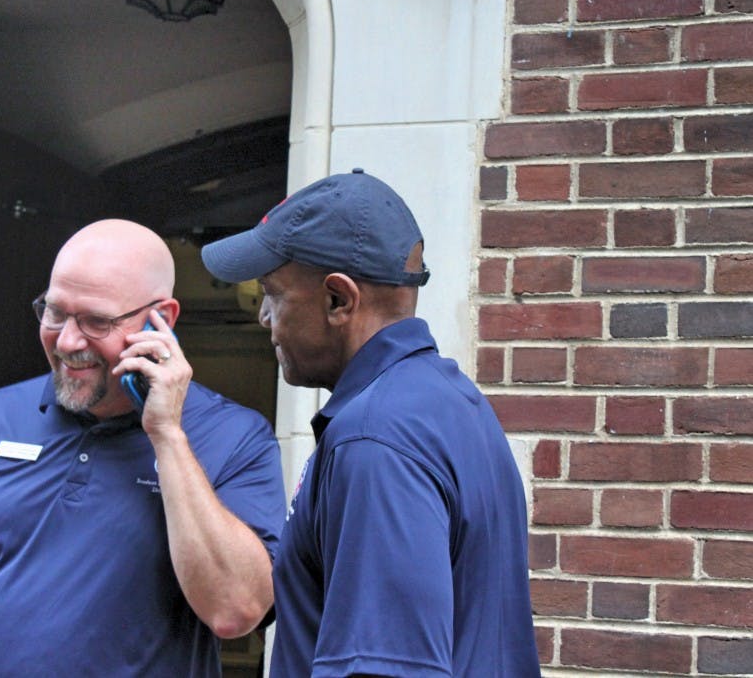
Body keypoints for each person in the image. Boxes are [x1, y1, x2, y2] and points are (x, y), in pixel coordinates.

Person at [0, 219, 287, 677]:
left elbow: (237, 610)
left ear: (161, 320)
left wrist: (166, 434)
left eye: (96, 321)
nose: (67, 341)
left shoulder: (234, 437)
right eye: (54, 313)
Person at [201, 169, 540, 677]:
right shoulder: (451, 402)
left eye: (274, 293)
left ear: (339, 300)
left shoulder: (373, 436)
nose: (265, 318)